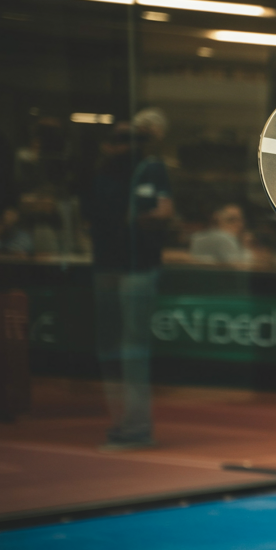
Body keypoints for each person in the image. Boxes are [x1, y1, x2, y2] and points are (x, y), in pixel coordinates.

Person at [83, 108, 173, 450]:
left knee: (132, 348)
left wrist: (137, 221)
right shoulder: (101, 173)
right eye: (119, 139)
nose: (125, 146)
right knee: (110, 347)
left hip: (137, 267)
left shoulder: (150, 169)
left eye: (133, 139)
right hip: (106, 264)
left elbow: (163, 213)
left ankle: (136, 426)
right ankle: (121, 421)